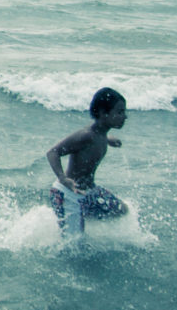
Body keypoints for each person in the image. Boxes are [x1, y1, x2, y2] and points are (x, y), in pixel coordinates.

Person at [46, 87, 129, 239]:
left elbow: (99, 137)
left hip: (89, 192)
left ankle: (78, 217)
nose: (125, 117)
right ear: (104, 113)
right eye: (120, 112)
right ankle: (67, 218)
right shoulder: (86, 135)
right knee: (74, 244)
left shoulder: (101, 133)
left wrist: (108, 139)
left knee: (121, 210)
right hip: (68, 194)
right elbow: (52, 152)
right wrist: (63, 178)